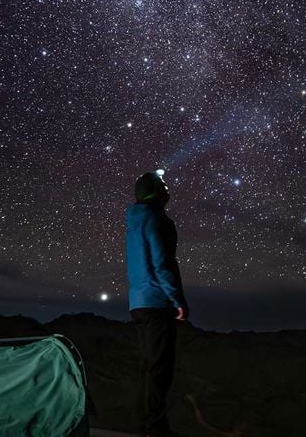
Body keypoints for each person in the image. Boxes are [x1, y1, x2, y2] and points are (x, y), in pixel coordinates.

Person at [125, 170, 189, 436]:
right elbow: (163, 263)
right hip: (157, 302)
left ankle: (145, 424)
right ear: (154, 191)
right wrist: (177, 299)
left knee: (148, 367)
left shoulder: (135, 220)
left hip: (138, 303)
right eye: (163, 183)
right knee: (160, 369)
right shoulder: (158, 219)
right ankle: (155, 427)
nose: (167, 187)